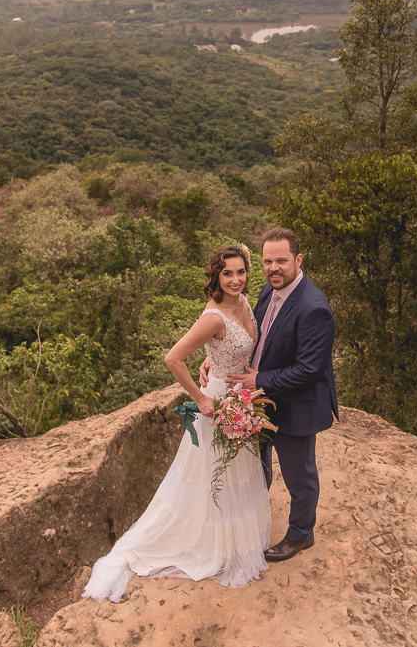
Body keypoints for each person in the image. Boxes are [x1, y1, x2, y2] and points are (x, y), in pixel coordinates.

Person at [81, 245, 271, 603]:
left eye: (241, 272)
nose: (235, 279)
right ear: (216, 276)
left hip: (241, 400)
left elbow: (227, 349)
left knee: (236, 474)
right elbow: (172, 357)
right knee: (216, 478)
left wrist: (211, 360)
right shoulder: (213, 317)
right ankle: (216, 546)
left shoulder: (245, 303)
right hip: (218, 405)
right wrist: (201, 398)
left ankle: (237, 541)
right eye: (227, 273)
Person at [208, 226, 338, 563]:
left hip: (296, 406)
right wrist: (213, 356)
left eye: (281, 261)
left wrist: (260, 379)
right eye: (267, 261)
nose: (273, 268)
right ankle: (255, 521)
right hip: (259, 403)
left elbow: (310, 369)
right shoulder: (269, 290)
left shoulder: (314, 307)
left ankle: (300, 535)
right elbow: (253, 333)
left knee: (300, 475)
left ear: (298, 259)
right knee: (258, 467)